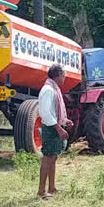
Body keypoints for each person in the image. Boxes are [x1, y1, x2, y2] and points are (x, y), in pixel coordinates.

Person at [37, 64, 73, 200]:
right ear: (57, 75)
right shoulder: (48, 90)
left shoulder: (54, 89)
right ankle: (41, 191)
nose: (64, 78)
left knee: (53, 157)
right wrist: (59, 128)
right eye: (63, 75)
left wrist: (65, 120)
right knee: (47, 158)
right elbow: (45, 113)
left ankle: (52, 187)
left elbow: (54, 111)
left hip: (54, 126)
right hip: (51, 128)